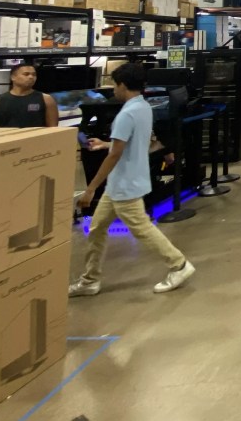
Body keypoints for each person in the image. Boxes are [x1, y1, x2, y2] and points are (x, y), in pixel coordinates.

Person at [69, 64, 196, 297]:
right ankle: (90, 279)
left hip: (126, 185)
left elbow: (116, 155)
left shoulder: (126, 114)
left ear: (123, 85)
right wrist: (106, 143)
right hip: (121, 183)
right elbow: (133, 143)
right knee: (97, 229)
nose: (113, 90)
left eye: (114, 85)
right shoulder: (143, 107)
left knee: (143, 229)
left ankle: (179, 265)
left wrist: (90, 188)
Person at [0, 62, 59, 128]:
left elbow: (53, 129)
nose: (31, 77)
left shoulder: (46, 99)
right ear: (13, 77)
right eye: (26, 74)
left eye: (34, 74)